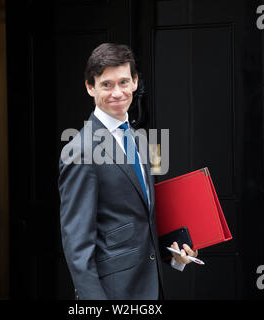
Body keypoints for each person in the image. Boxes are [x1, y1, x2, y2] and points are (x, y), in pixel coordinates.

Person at [58, 43, 198, 300]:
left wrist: (175, 254)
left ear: (134, 82)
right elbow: (77, 246)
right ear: (90, 87)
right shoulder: (80, 150)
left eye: (124, 82)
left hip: (151, 289)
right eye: (106, 84)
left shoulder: (140, 141)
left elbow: (140, 219)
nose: (117, 92)